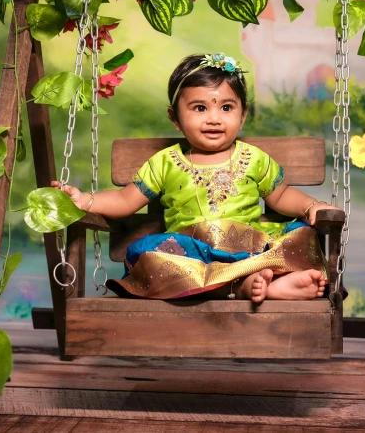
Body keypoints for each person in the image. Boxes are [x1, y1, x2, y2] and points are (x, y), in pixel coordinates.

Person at [53, 53, 343, 303]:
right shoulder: (165, 163)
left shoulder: (253, 158)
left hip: (248, 250)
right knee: (145, 251)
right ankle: (246, 286)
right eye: (200, 108)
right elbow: (124, 199)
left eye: (226, 108)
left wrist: (310, 207)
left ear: (242, 116)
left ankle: (256, 282)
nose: (214, 118)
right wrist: (85, 200)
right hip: (192, 255)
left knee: (302, 234)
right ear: (175, 118)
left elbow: (281, 196)